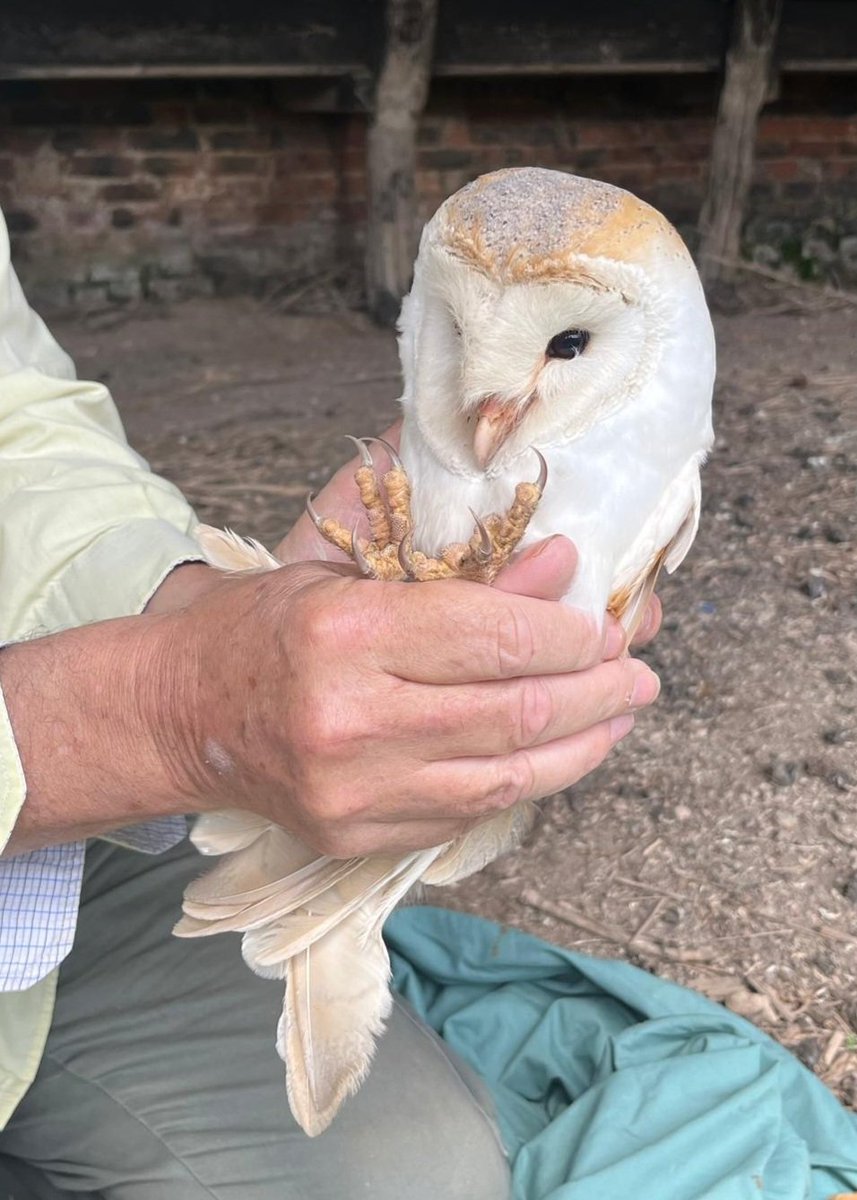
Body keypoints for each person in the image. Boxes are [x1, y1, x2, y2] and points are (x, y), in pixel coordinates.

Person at [0, 206, 661, 1199]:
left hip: (49, 863)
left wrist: (201, 604)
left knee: (405, 1177)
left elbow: (17, 420)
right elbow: (152, 715)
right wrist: (161, 712)